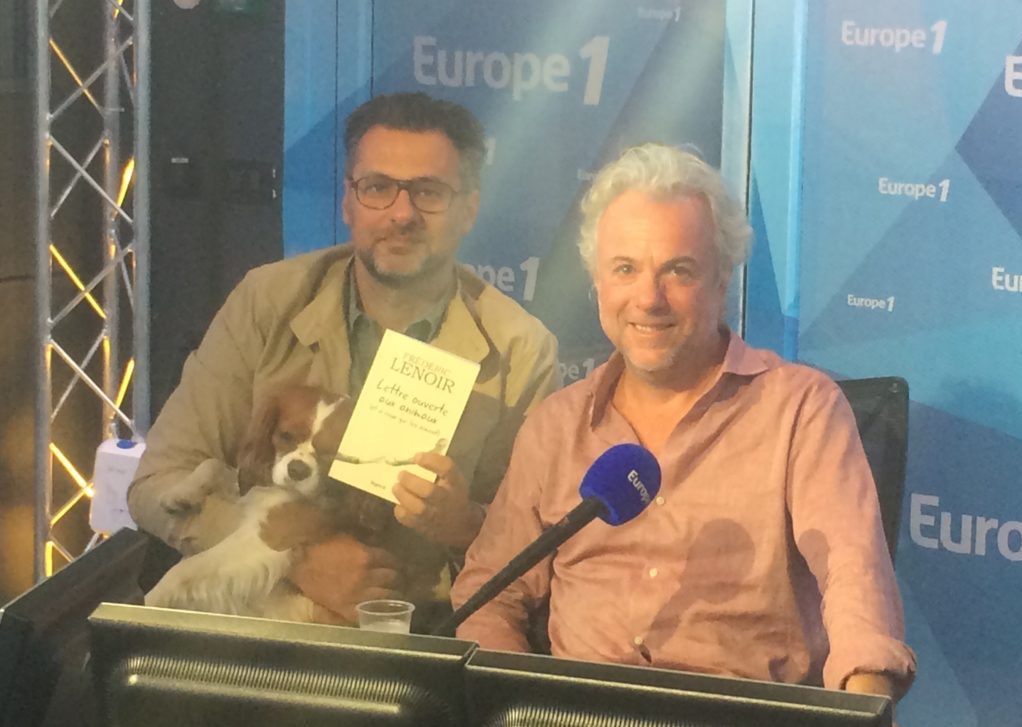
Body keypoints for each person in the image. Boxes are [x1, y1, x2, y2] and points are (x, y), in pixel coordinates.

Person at [451, 144, 916, 699]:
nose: (649, 299)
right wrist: (516, 704)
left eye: (678, 270)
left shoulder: (801, 410)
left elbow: (854, 579)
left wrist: (865, 700)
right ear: (598, 282)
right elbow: (488, 598)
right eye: (625, 269)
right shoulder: (556, 426)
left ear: (721, 281)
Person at [129, 92, 559, 627]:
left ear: (468, 209)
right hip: (247, 625)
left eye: (428, 192)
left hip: (419, 631)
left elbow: (536, 558)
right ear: (347, 202)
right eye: (377, 188)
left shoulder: (520, 350)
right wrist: (298, 555)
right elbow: (156, 483)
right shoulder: (267, 300)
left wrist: (464, 524)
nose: (402, 214)